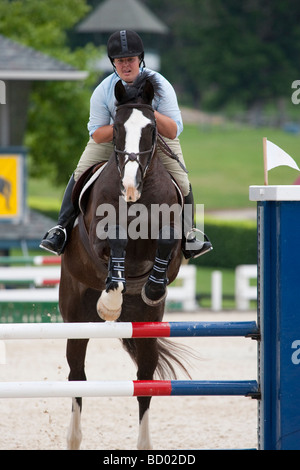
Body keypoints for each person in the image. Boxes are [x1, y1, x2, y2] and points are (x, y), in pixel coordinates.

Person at [40, 30, 212, 259]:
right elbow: (97, 134)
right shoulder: (103, 90)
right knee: (80, 171)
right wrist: (124, 127)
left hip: (154, 137)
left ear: (140, 59)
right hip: (115, 138)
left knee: (181, 179)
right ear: (113, 63)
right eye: (120, 61)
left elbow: (172, 130)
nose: (126, 65)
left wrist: (148, 115)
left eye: (130, 59)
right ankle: (60, 228)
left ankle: (190, 235)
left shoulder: (160, 85)